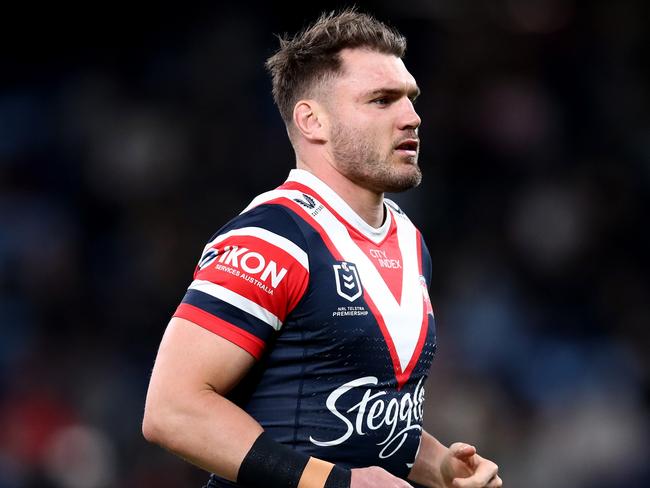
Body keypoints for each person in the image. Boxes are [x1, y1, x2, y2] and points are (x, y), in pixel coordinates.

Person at [142, 8, 502, 488]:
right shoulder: (273, 238)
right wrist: (336, 484)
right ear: (313, 121)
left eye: (411, 99)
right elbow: (172, 411)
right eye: (381, 100)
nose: (412, 117)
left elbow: (345, 417)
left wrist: (437, 466)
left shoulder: (407, 240)